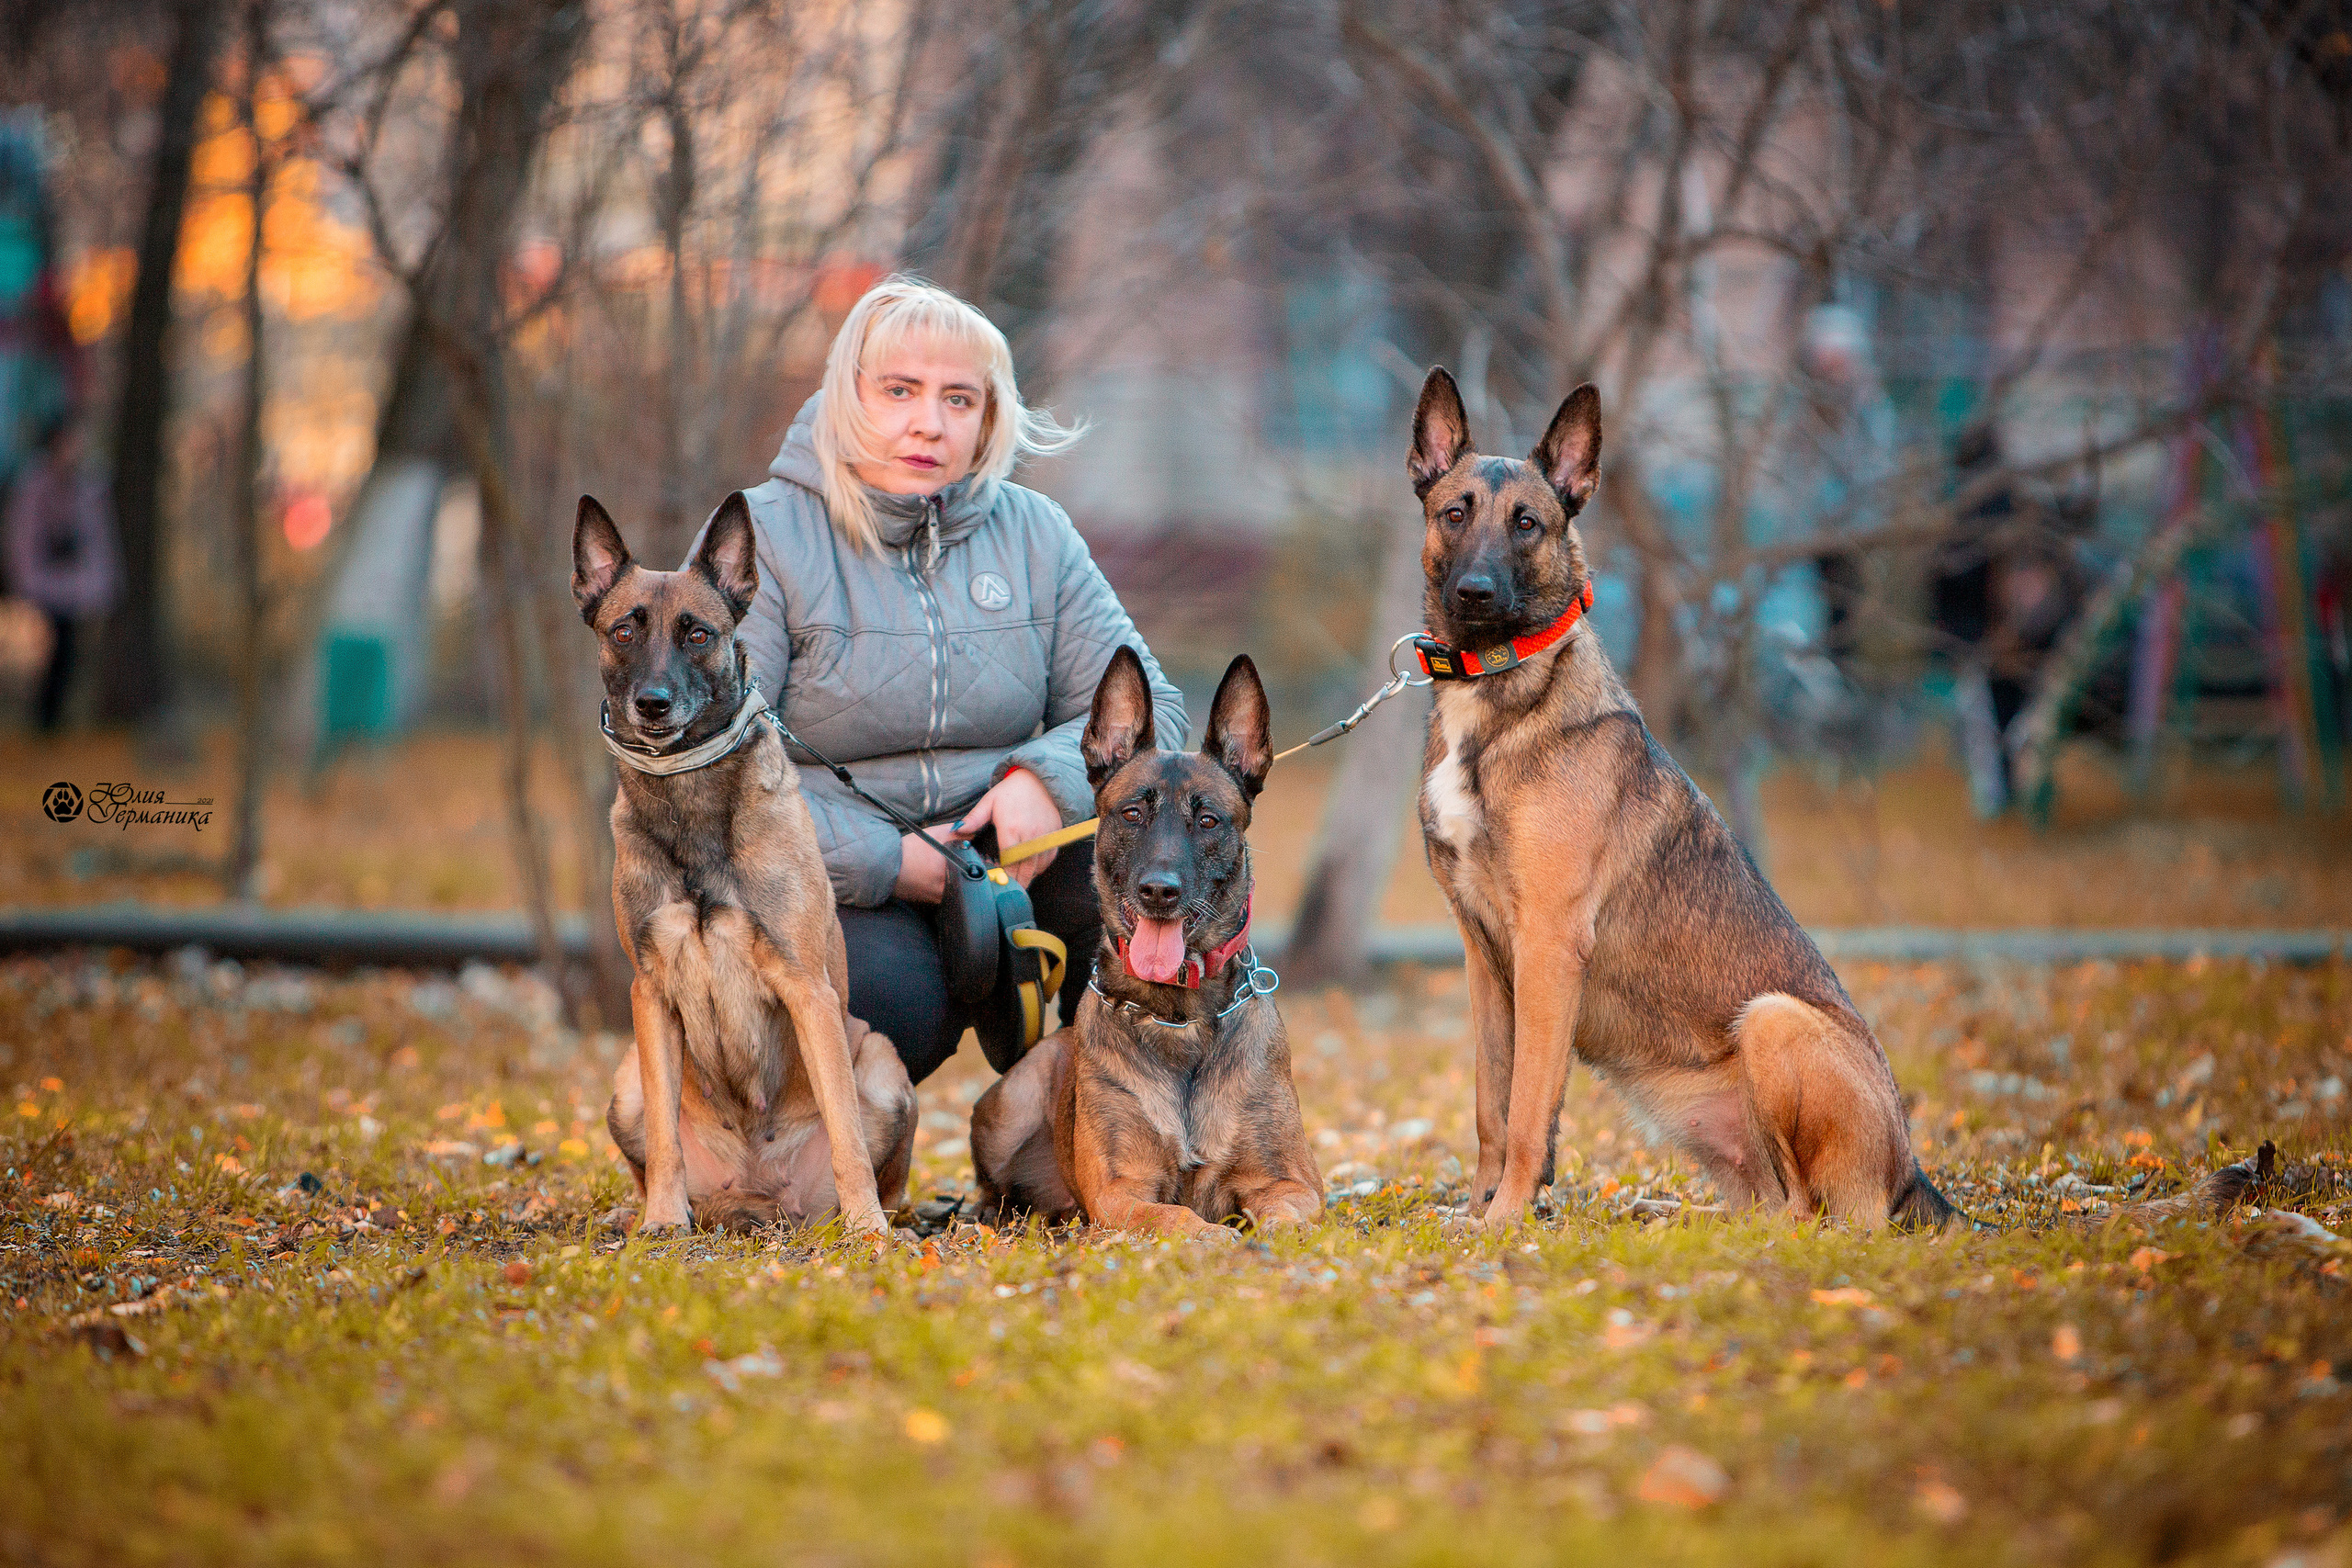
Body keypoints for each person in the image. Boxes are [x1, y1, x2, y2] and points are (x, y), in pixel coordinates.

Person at [725, 276, 1186, 1085]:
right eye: (899, 390)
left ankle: (1118, 1141)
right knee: (899, 1005)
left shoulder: (1037, 535)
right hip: (849, 883)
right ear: (847, 396)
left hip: (1022, 862)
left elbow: (1159, 717)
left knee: (1150, 859)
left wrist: (1043, 783)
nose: (928, 423)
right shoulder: (765, 535)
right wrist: (890, 859)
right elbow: (721, 773)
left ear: (989, 419)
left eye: (959, 399)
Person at [5, 412, 117, 731]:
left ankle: (55, 720)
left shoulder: (90, 487)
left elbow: (99, 542)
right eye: (67, 442)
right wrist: (28, 582)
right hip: (42, 586)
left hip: (74, 589)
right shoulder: (34, 486)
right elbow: (23, 540)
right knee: (44, 654)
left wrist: (98, 587)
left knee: (71, 655)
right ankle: (43, 719)